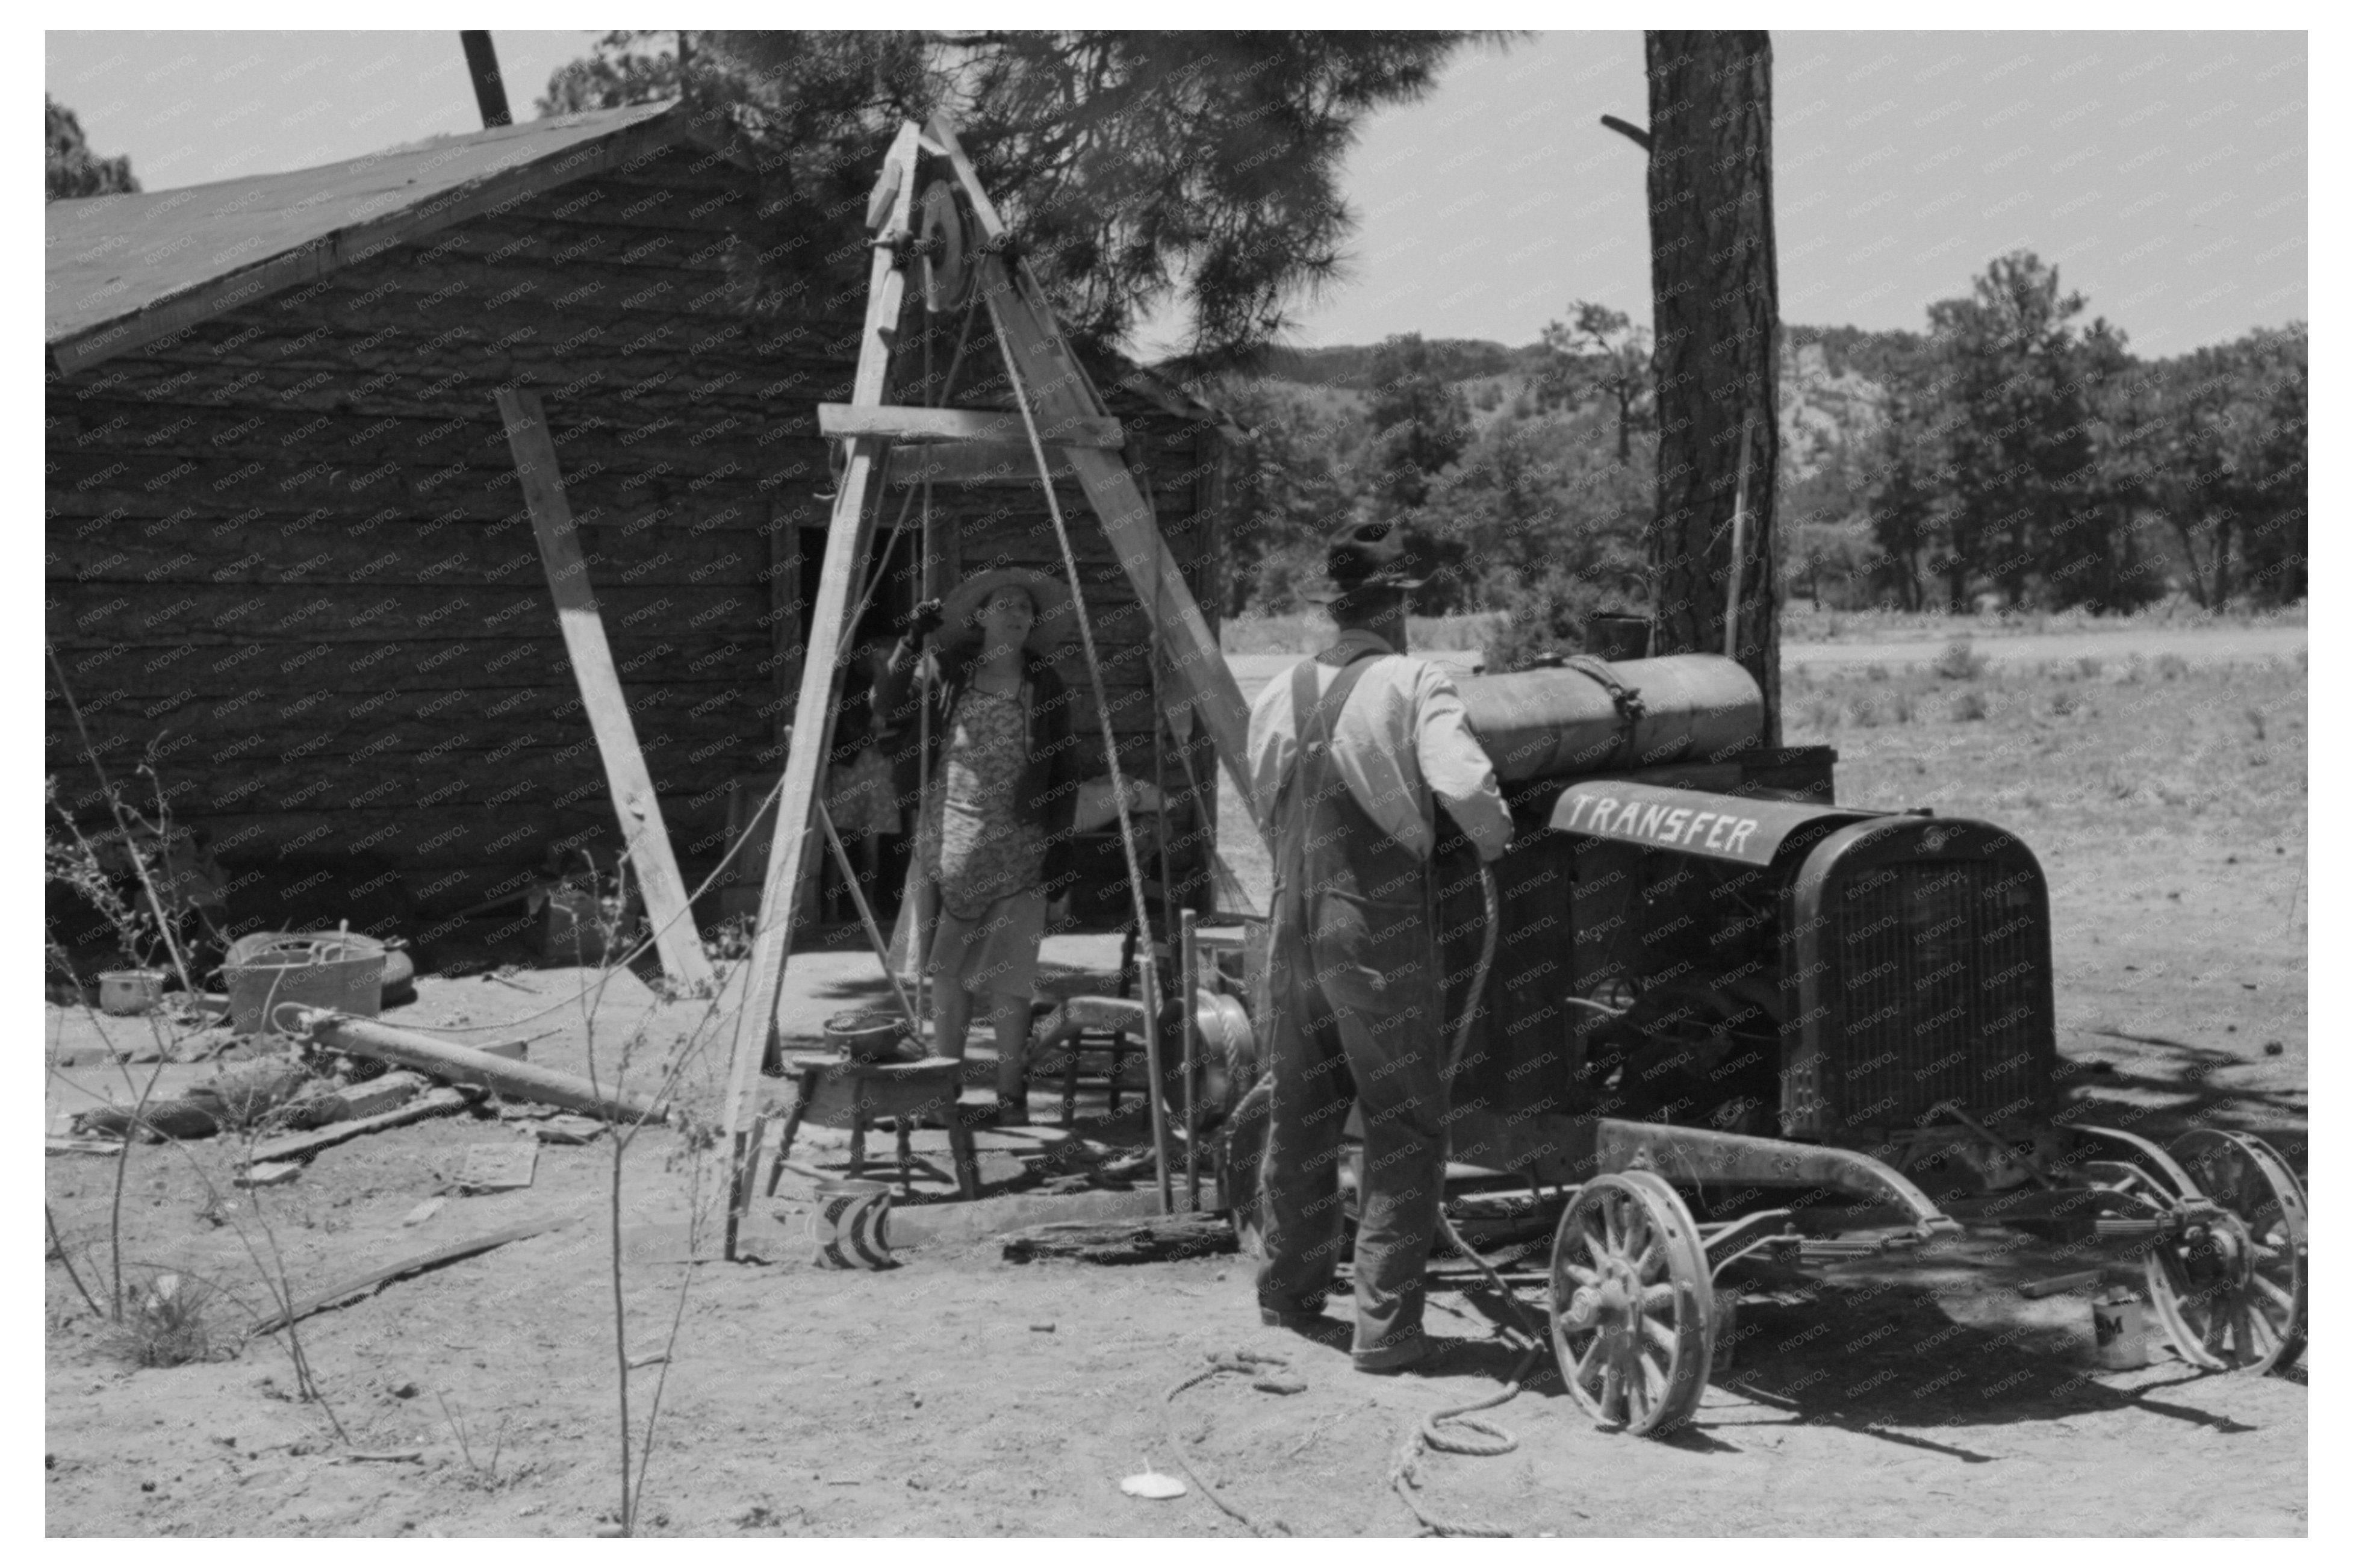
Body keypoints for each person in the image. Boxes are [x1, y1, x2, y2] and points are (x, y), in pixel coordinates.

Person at [1244, 520, 1513, 1373]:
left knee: (1301, 1109)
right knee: (1403, 1119)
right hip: (1373, 930)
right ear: (1396, 609)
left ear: (1334, 611)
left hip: (1288, 928)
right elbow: (1466, 785)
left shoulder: (1276, 688)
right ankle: (1385, 1330)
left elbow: (1265, 803)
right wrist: (1497, 838)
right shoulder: (1412, 682)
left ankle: (1287, 1296)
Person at [876, 567, 1153, 1125]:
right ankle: (945, 1088)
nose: (1017, 614)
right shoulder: (948, 670)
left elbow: (1064, 767)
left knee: (1011, 978)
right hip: (948, 839)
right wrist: (911, 643)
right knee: (949, 974)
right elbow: (888, 702)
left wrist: (1059, 848)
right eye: (1004, 604)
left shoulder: (1042, 682)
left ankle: (1010, 1095)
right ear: (979, 617)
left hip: (1020, 846)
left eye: (1025, 608)